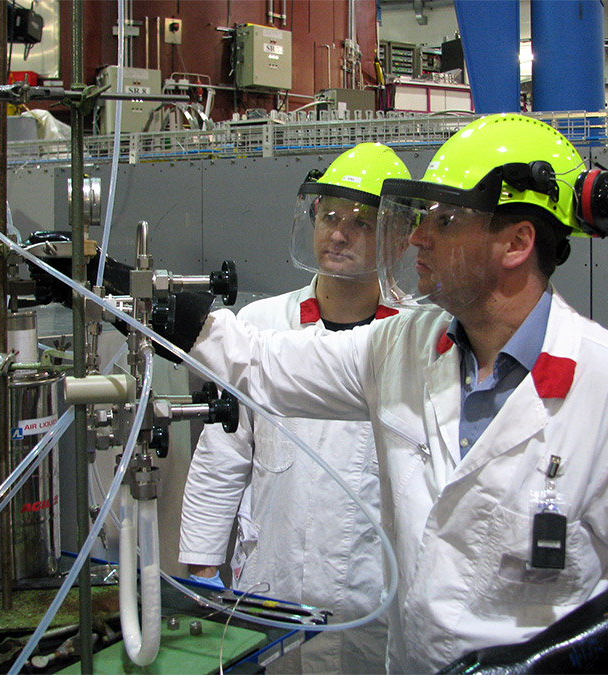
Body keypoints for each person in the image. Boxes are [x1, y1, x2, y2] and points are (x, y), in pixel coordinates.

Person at [185, 115, 608, 673]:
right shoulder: (402, 346)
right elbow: (263, 362)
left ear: (517, 243)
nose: (419, 237)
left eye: (445, 220)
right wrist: (146, 302)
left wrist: (544, 665)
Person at [179, 143, 411, 674]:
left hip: (372, 602)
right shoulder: (258, 327)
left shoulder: (415, 340)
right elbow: (222, 456)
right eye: (329, 215)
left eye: (362, 222)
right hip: (271, 588)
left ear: (399, 239)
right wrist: (200, 570)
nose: (339, 233)